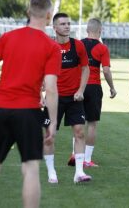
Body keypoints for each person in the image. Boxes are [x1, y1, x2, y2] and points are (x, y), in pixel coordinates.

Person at [0, 0, 61, 208]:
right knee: (30, 169)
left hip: (0, 109)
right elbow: (50, 88)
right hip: (29, 112)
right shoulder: (51, 47)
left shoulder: (7, 38)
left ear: (28, 12)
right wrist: (53, 122)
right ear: (49, 16)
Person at [43, 12, 91, 183]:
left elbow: (86, 69)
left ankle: (79, 172)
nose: (67, 27)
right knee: (49, 136)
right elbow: (40, 71)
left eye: (69, 24)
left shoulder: (78, 46)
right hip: (53, 98)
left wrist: (81, 90)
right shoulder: (48, 46)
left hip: (74, 98)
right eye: (63, 24)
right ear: (54, 27)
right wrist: (42, 94)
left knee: (79, 132)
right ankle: (51, 172)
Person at [67, 18, 117, 168]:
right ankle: (87, 159)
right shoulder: (102, 48)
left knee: (77, 122)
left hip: (78, 87)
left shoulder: (77, 44)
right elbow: (106, 70)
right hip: (94, 87)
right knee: (92, 124)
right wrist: (112, 87)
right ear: (100, 31)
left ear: (87, 30)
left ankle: (75, 154)